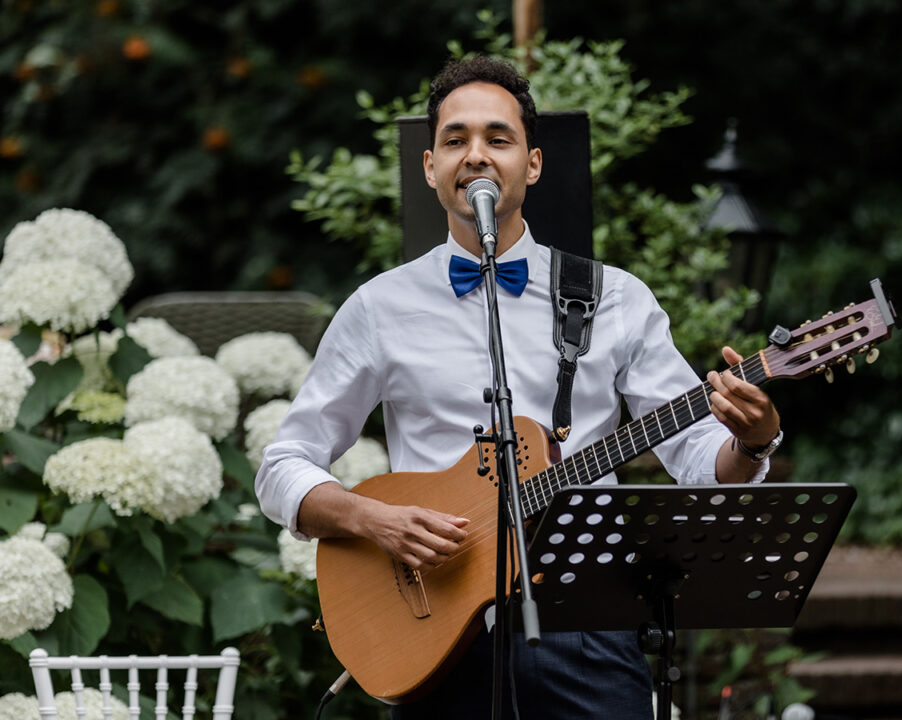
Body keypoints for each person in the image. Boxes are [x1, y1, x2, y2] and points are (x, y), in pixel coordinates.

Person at [255, 55, 783, 720]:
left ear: (532, 163)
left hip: (585, 624)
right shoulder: (377, 308)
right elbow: (281, 468)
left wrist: (752, 444)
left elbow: (702, 464)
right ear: (430, 167)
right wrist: (372, 519)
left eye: (497, 139)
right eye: (456, 140)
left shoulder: (613, 298)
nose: (476, 155)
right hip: (435, 632)